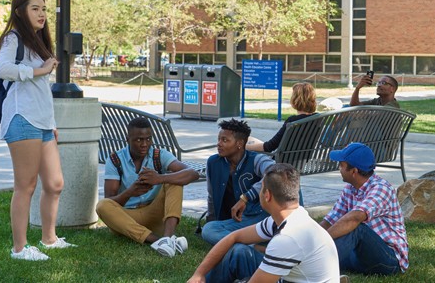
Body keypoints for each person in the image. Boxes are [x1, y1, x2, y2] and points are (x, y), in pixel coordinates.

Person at [0, 0, 75, 261]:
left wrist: (51, 123)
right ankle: (19, 249)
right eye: (34, 9)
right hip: (22, 118)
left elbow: (41, 90)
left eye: (43, 9)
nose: (41, 14)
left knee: (54, 183)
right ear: (20, 12)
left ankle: (49, 239)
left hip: (42, 123)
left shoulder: (38, 42)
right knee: (26, 185)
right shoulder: (13, 38)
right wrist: (39, 70)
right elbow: (2, 68)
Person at [187, 164, 340, 283]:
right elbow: (234, 237)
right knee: (239, 252)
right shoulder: (289, 219)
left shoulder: (287, 238)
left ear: (266, 195)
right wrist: (199, 274)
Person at [95, 117, 200, 257]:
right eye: (139, 140)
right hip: (127, 219)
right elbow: (110, 201)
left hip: (154, 214)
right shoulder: (115, 160)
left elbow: (192, 173)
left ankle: (168, 238)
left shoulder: (159, 155)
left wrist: (159, 178)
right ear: (128, 139)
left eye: (148, 139)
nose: (144, 144)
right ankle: (159, 241)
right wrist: (129, 192)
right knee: (102, 205)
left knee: (175, 182)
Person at [320, 143, 409, 275]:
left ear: (354, 171)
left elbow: (354, 218)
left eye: (341, 165)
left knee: (355, 227)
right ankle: (312, 263)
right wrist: (312, 237)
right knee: (340, 229)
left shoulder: (381, 189)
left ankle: (315, 265)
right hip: (360, 256)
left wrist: (320, 242)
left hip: (389, 260)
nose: (339, 168)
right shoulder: (349, 189)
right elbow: (330, 220)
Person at [201, 119, 275, 245]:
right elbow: (212, 196)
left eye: (225, 140)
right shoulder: (213, 162)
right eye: (219, 139)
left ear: (239, 144)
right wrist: (212, 220)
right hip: (238, 221)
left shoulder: (256, 159)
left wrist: (246, 197)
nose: (219, 144)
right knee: (209, 230)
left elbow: (275, 172)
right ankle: (250, 244)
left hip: (259, 217)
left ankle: (238, 243)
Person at [247, 82, 319, 152]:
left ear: (295, 100)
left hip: (282, 162)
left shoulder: (293, 121)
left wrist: (243, 147)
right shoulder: (318, 119)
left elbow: (269, 147)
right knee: (250, 139)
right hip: (303, 161)